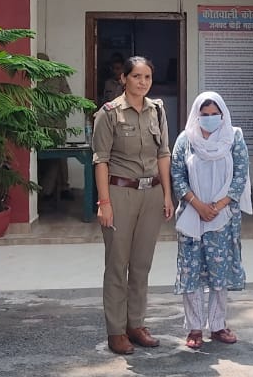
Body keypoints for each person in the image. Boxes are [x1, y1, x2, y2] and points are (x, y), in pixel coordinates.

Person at [91, 56, 175, 355]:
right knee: (118, 264)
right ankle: (116, 331)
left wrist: (167, 194)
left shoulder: (157, 111)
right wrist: (104, 202)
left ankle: (135, 324)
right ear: (123, 78)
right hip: (120, 193)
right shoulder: (109, 113)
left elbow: (163, 154)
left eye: (147, 77)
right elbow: (101, 161)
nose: (142, 82)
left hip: (151, 193)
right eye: (136, 76)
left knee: (141, 264)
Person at [170, 91, 251, 350]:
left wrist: (218, 205)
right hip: (192, 214)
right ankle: (194, 327)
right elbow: (177, 176)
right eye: (204, 114)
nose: (210, 118)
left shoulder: (233, 137)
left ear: (223, 115)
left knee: (219, 271)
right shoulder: (186, 140)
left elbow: (240, 174)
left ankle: (218, 325)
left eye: (215, 114)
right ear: (196, 116)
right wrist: (198, 205)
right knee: (191, 271)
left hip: (223, 217)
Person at [36, 52, 73, 203]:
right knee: (39, 159)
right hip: (38, 127)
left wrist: (57, 111)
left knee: (59, 158)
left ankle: (60, 188)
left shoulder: (58, 76)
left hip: (57, 126)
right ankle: (43, 191)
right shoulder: (31, 78)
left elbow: (68, 98)